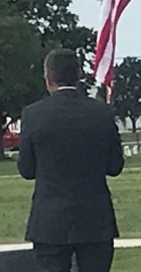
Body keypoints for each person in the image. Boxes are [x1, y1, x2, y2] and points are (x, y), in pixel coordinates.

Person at [17, 49, 124, 272]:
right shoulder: (102, 112)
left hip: (49, 221)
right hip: (95, 219)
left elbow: (26, 169)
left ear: (48, 77)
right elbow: (115, 166)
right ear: (78, 76)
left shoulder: (32, 114)